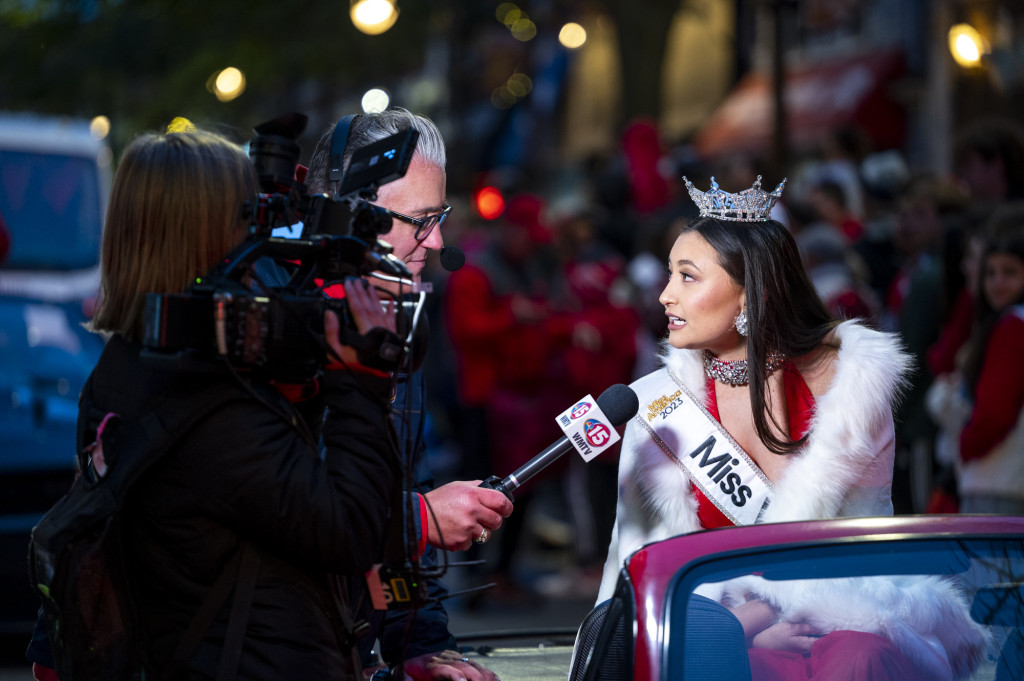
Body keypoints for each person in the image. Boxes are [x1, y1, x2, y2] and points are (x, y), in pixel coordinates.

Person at [29, 128, 406, 680]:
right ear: (208, 231)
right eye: (248, 215)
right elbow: (350, 528)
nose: (260, 230)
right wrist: (362, 382)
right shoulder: (210, 401)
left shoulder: (128, 367)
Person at [593, 176, 987, 680]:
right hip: (715, 631)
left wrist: (761, 617)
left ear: (747, 293)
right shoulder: (658, 405)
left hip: (840, 618)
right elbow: (631, 562)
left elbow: (860, 551)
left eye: (687, 277)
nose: (666, 295)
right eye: (669, 275)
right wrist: (738, 628)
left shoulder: (850, 388)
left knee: (856, 660)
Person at [304, 108, 513, 681]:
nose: (438, 240)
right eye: (421, 220)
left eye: (440, 217)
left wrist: (421, 646)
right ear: (352, 216)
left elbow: (385, 542)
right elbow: (283, 520)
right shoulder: (271, 328)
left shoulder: (389, 326)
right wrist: (418, 520)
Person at [953, 202, 1024, 514]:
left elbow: (994, 413)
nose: (997, 283)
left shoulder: (1013, 327)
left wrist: (966, 446)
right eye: (991, 273)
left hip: (998, 482)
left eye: (1010, 272)